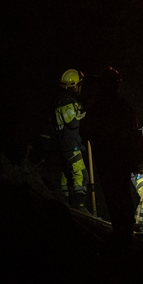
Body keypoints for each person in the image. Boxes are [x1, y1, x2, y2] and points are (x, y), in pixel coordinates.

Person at [80, 67, 143, 250]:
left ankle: (120, 237)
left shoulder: (100, 107)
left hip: (107, 159)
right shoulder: (124, 107)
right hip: (122, 159)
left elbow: (85, 130)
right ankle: (125, 235)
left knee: (113, 196)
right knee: (123, 194)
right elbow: (133, 131)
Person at [55, 69, 88, 211]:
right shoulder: (65, 102)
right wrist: (84, 117)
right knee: (81, 175)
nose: (80, 88)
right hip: (69, 144)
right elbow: (72, 122)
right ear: (74, 86)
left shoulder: (68, 101)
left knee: (67, 174)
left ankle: (65, 201)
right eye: (79, 85)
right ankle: (79, 206)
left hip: (68, 143)